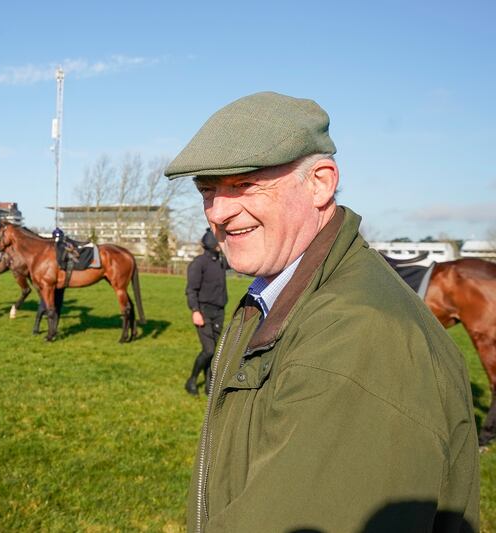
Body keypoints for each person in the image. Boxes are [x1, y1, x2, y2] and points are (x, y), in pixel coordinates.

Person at [164, 91, 479, 532]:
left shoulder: (354, 337)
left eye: (243, 185)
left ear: (320, 183)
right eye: (208, 190)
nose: (218, 211)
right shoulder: (280, 291)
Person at [184, 228, 227, 397]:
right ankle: (192, 380)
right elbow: (191, 290)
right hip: (203, 311)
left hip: (219, 311)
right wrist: (195, 310)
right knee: (208, 350)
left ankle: (209, 384)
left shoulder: (220, 262)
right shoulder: (199, 263)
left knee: (214, 351)